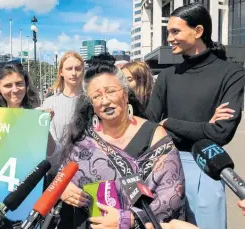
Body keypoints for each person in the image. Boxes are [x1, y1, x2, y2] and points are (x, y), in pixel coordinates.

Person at [145, 3, 245, 229]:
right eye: (168, 32)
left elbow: (221, 133)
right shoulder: (166, 77)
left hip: (205, 166)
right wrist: (203, 126)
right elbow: (150, 126)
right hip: (163, 166)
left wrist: (169, 122)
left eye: (175, 31)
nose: (169, 38)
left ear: (198, 31)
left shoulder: (232, 73)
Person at [58, 55, 186, 229]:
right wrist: (63, 189)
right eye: (96, 96)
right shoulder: (83, 139)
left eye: (111, 91)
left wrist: (129, 219)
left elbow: (172, 195)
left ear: (125, 94)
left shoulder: (153, 134)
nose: (105, 101)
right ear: (91, 104)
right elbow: (62, 177)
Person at [42, 51, 84, 145]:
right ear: (61, 72)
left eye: (77, 68)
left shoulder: (91, 100)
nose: (74, 73)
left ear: (82, 71)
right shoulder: (49, 103)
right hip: (58, 157)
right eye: (69, 69)